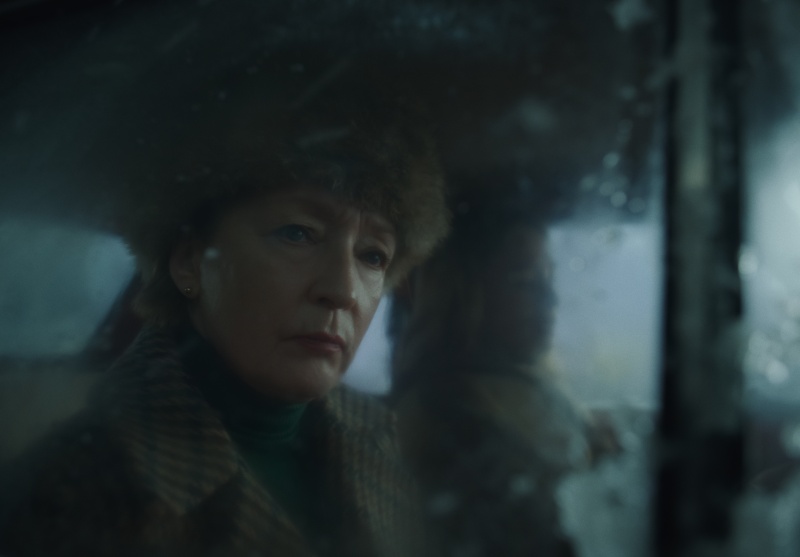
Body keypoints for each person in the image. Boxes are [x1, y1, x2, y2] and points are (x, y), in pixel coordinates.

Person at [0, 52, 450, 557]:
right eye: (297, 233)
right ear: (190, 262)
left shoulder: (381, 441)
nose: (344, 291)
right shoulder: (74, 493)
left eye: (373, 255)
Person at [391, 186, 616, 557]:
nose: (551, 298)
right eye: (524, 280)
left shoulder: (530, 389)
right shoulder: (439, 409)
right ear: (466, 290)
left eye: (549, 279)